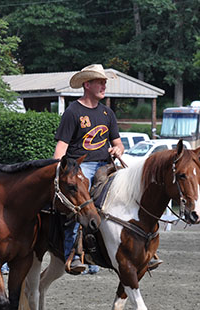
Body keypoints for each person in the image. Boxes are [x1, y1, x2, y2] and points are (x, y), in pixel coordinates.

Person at [53, 64, 125, 275]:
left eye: (104, 82)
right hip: (80, 168)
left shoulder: (107, 113)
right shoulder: (73, 112)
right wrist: (58, 170)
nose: (104, 86)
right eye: (100, 82)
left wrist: (118, 150)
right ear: (87, 84)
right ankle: (74, 255)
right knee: (82, 207)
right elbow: (61, 148)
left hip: (105, 166)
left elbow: (118, 143)